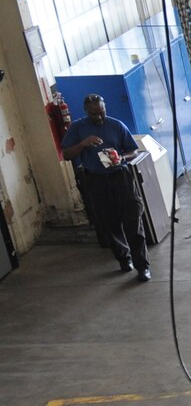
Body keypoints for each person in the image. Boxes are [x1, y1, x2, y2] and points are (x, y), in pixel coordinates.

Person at [61, 94, 151, 279]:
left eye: (101, 112)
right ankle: (123, 258)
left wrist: (120, 158)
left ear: (105, 108)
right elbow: (67, 154)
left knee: (133, 219)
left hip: (120, 177)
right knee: (110, 222)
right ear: (86, 112)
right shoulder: (78, 128)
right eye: (94, 114)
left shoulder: (116, 125)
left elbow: (133, 150)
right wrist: (83, 144)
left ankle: (142, 266)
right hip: (96, 180)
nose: (99, 117)